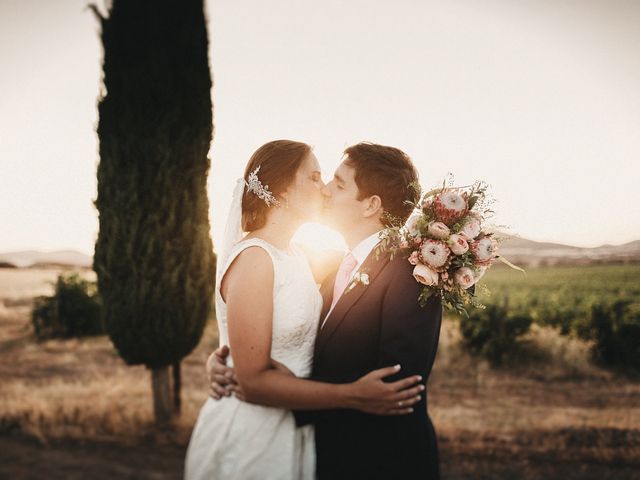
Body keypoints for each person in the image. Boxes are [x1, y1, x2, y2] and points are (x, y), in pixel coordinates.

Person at [184, 140, 424, 480]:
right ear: (281, 191)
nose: (324, 189)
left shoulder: (300, 258)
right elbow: (251, 376)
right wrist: (351, 395)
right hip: (254, 435)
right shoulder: (255, 258)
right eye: (315, 177)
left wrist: (227, 357)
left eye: (332, 181)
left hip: (304, 431)